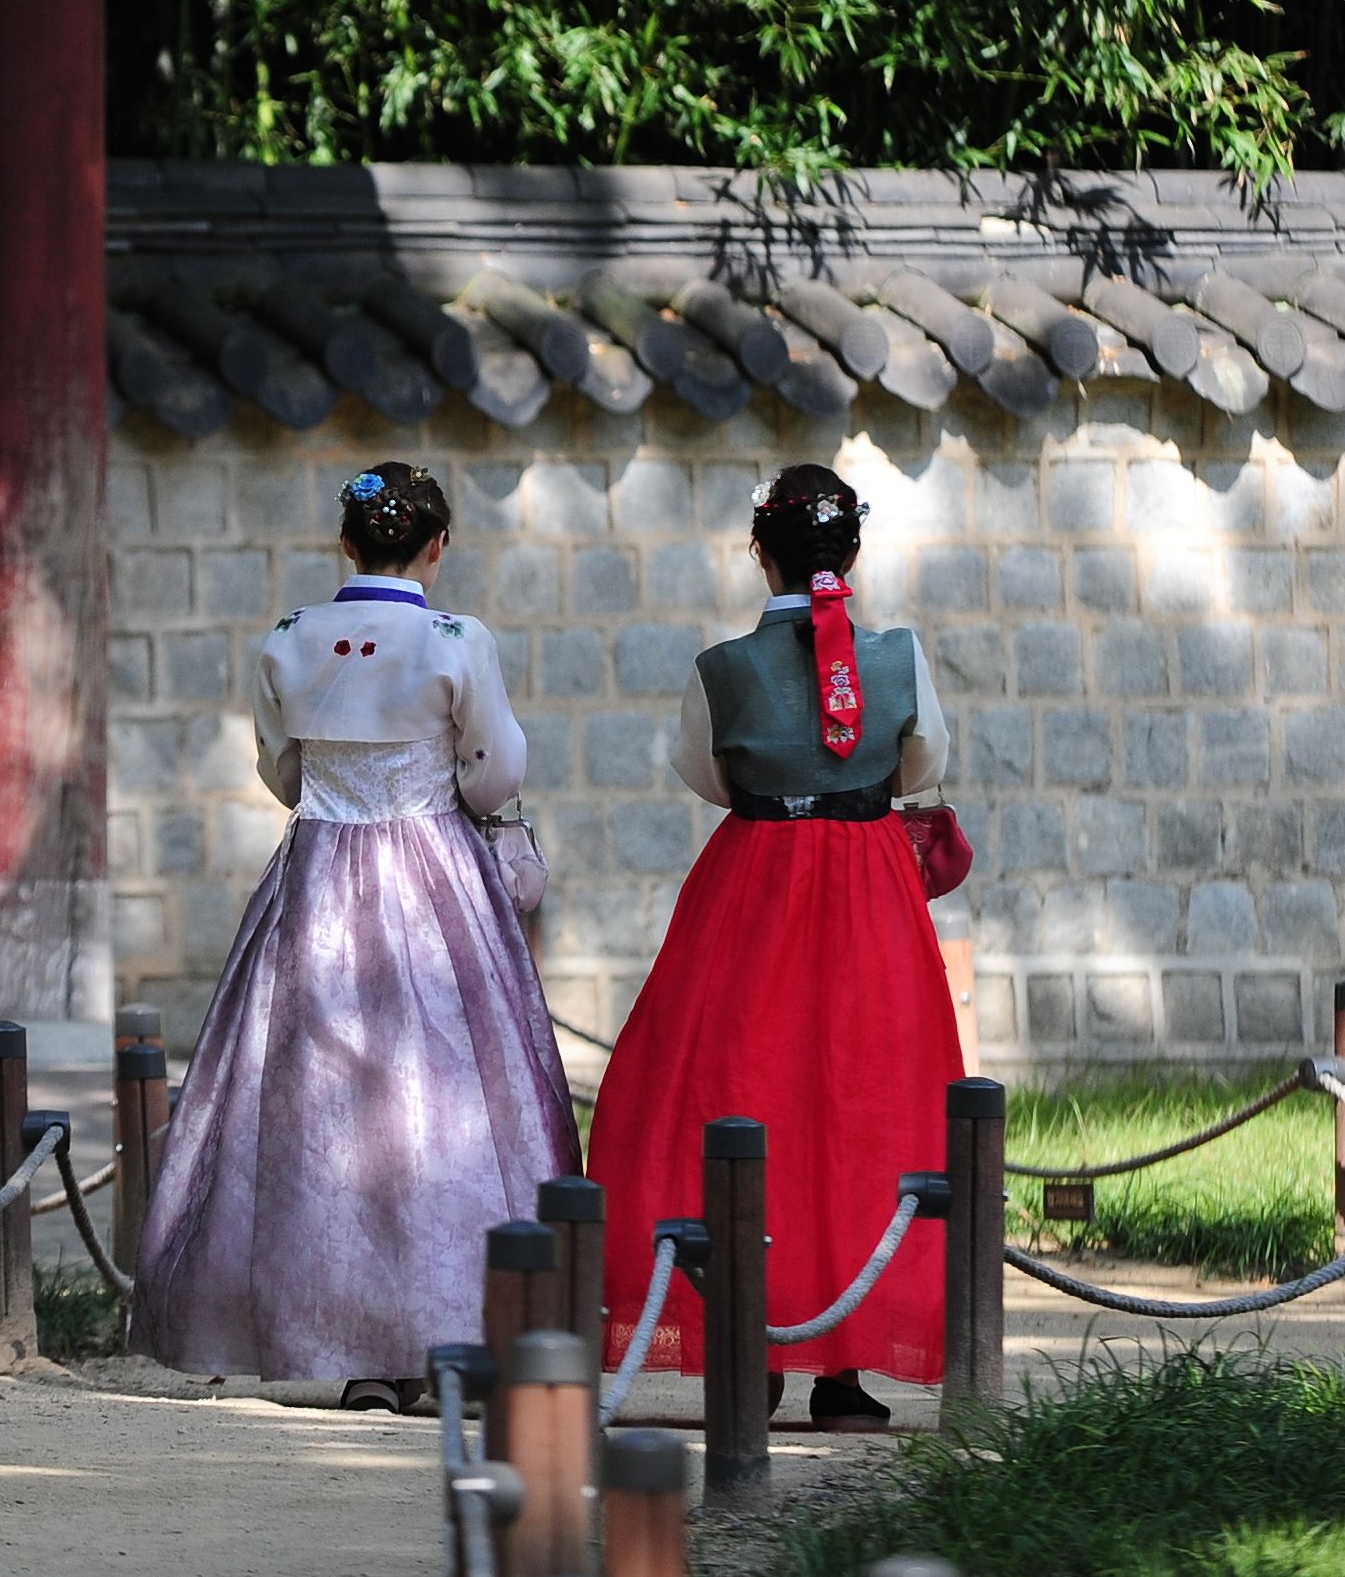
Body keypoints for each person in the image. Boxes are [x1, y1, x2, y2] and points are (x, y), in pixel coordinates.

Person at [129, 462, 580, 1410]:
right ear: (437, 547)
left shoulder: (292, 640)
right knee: (445, 1104)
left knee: (317, 1111)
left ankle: (344, 1341)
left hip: (320, 879)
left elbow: (284, 776)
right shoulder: (458, 639)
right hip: (435, 881)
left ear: (345, 541)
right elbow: (492, 777)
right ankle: (440, 1339)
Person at [584, 463, 964, 1428]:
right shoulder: (900, 656)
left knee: (740, 1089)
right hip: (869, 889)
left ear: (759, 553)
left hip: (754, 886)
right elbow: (924, 764)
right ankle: (849, 1367)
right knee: (865, 1099)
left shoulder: (721, 668)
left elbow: (707, 776)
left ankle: (749, 1350)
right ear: (856, 552)